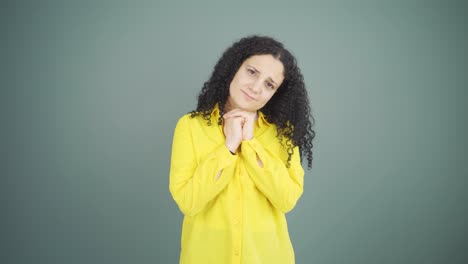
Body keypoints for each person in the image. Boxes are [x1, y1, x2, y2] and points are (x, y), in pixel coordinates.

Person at [169, 35, 315, 264]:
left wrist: (250, 143)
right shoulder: (190, 126)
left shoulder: (283, 135)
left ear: (276, 94)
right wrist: (228, 147)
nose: (256, 88)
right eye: (252, 72)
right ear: (235, 67)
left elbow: (286, 200)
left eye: (269, 84)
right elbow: (188, 201)